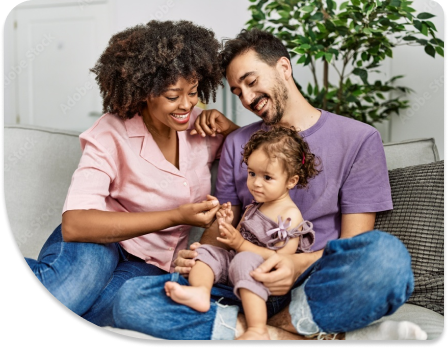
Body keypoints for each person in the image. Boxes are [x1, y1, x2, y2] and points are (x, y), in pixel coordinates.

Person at [112, 28, 427, 341]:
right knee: (130, 298)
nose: (247, 99)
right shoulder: (236, 142)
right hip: (241, 277)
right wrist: (200, 255)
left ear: (284, 68)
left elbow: (354, 244)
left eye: (251, 81)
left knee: (386, 258)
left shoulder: (358, 139)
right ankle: (282, 334)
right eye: (237, 92)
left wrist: (292, 264)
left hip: (312, 282)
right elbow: (225, 224)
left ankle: (265, 328)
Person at [24, 20, 239, 328]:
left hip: (151, 265)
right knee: (66, 295)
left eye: (193, 92)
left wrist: (232, 129)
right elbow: (75, 224)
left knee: (111, 308)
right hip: (98, 242)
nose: (187, 104)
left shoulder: (201, 128)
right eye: (172, 95)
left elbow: (262, 156)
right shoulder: (111, 133)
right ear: (144, 90)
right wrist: (176, 215)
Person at [164, 126, 320, 340]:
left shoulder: (290, 215)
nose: (255, 183)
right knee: (207, 251)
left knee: (245, 258)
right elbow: (235, 240)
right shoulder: (254, 206)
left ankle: (257, 329)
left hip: (265, 284)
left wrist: (239, 245)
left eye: (267, 177)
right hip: (236, 269)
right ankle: (200, 291)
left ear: (291, 181)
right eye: (252, 173)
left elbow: (283, 260)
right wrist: (226, 224)